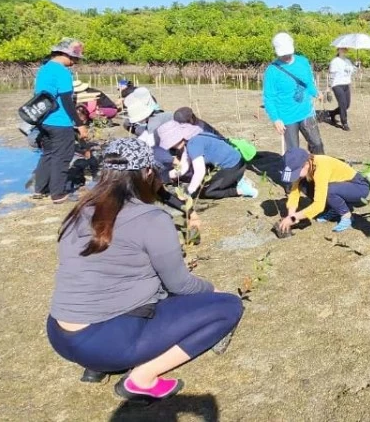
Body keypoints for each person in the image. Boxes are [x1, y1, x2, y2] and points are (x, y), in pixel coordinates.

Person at [46, 138, 243, 401]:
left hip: (60, 334)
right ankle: (141, 379)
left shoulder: (81, 209)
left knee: (137, 289)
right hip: (103, 341)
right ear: (148, 172)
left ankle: (96, 369)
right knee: (228, 307)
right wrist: (213, 290)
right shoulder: (151, 219)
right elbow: (180, 285)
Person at [32, 38, 89, 204]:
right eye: (75, 58)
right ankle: (58, 194)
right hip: (60, 121)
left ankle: (40, 189)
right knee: (62, 157)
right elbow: (67, 101)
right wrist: (79, 124)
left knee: (48, 154)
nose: (76, 62)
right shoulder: (62, 72)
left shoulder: (44, 69)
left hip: (44, 120)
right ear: (66, 55)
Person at [156, 120, 259, 200]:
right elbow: (184, 167)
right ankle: (237, 180)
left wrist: (189, 192)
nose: (171, 147)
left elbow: (200, 172)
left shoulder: (193, 144)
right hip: (233, 162)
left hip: (234, 165)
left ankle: (241, 190)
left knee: (208, 192)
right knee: (204, 185)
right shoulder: (190, 140)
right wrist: (164, 177)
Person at [275, 148, 370, 234]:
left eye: (296, 172)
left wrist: (293, 218)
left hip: (358, 187)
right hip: (339, 187)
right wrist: (291, 214)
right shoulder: (307, 166)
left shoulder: (321, 166)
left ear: (306, 164)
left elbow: (318, 205)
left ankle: (346, 215)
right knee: (303, 184)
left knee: (329, 190)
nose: (296, 176)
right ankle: (334, 208)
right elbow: (294, 192)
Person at [262, 32, 324, 154]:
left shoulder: (303, 62)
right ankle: (296, 172)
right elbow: (269, 98)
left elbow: (308, 83)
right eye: (282, 53)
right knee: (294, 152)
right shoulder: (272, 71)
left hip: (306, 112)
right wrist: (276, 119)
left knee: (317, 144)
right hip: (287, 117)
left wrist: (316, 92)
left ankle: (317, 169)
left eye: (288, 52)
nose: (286, 56)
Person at [327, 47, 356, 131]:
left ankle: (332, 113)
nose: (344, 50)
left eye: (345, 49)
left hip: (346, 84)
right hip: (337, 84)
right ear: (338, 50)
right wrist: (329, 87)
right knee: (342, 104)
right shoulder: (335, 61)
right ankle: (344, 123)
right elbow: (331, 75)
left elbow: (352, 72)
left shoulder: (348, 61)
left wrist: (357, 66)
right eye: (342, 49)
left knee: (347, 105)